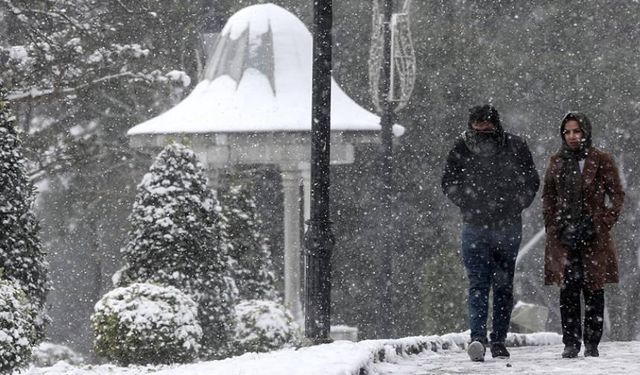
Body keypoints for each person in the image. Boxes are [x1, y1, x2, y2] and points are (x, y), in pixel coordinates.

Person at [441, 104, 540, 362]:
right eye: (478, 124)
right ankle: (478, 338)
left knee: (502, 286)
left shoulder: (516, 147)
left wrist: (514, 204)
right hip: (476, 225)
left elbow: (531, 181)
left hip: (505, 226)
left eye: (487, 124)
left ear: (495, 124)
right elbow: (449, 182)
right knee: (479, 284)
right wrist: (469, 202)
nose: (482, 129)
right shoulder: (461, 148)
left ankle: (497, 339)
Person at [542, 112, 624, 358]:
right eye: (567, 132)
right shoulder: (556, 161)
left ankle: (592, 343)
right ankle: (570, 342)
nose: (572, 136)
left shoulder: (601, 159)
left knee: (593, 289)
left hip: (593, 236)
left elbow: (617, 194)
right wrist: (554, 224)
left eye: (576, 131)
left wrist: (603, 221)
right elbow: (549, 196)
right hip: (565, 236)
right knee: (568, 290)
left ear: (585, 132)